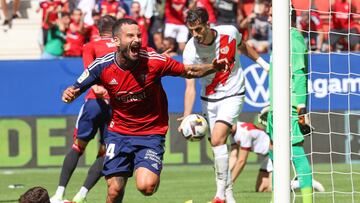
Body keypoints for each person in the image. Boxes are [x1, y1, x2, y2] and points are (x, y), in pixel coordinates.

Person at [61, 18, 229, 203]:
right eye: (130, 35)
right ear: (116, 41)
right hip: (119, 133)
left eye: (139, 35)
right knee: (115, 190)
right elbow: (76, 87)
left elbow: (189, 71)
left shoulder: (154, 61)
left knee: (146, 187)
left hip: (151, 133)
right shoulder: (102, 65)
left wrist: (212, 67)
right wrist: (70, 93)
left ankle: (143, 163)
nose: (137, 39)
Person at [180, 7, 270, 203]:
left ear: (208, 25)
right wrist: (187, 114)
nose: (195, 35)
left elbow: (243, 46)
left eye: (198, 29)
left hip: (233, 92)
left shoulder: (229, 31)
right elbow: (191, 81)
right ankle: (229, 195)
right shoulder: (190, 49)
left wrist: (264, 65)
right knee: (219, 148)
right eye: (191, 30)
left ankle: (219, 196)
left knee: (218, 139)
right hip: (209, 99)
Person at [51, 15, 116, 203]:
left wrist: (98, 88)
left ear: (98, 29)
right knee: (105, 151)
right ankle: (82, 195)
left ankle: (59, 194)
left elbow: (90, 75)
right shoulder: (121, 47)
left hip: (94, 102)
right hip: (116, 105)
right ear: (115, 30)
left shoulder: (90, 46)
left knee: (78, 147)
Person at [266, 6, 314, 203]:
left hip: (289, 108)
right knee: (274, 152)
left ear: (286, 16)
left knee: (296, 153)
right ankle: (278, 198)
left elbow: (300, 75)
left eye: (271, 15)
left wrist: (301, 108)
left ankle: (308, 200)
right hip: (275, 108)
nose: (268, 19)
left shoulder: (293, 38)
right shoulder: (280, 41)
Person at [229, 119, 325, 193]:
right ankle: (299, 183)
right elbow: (233, 156)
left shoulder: (244, 132)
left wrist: (229, 183)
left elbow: (241, 161)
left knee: (275, 188)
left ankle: (306, 183)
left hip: (275, 153)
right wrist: (225, 175)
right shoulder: (231, 133)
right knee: (261, 189)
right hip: (267, 156)